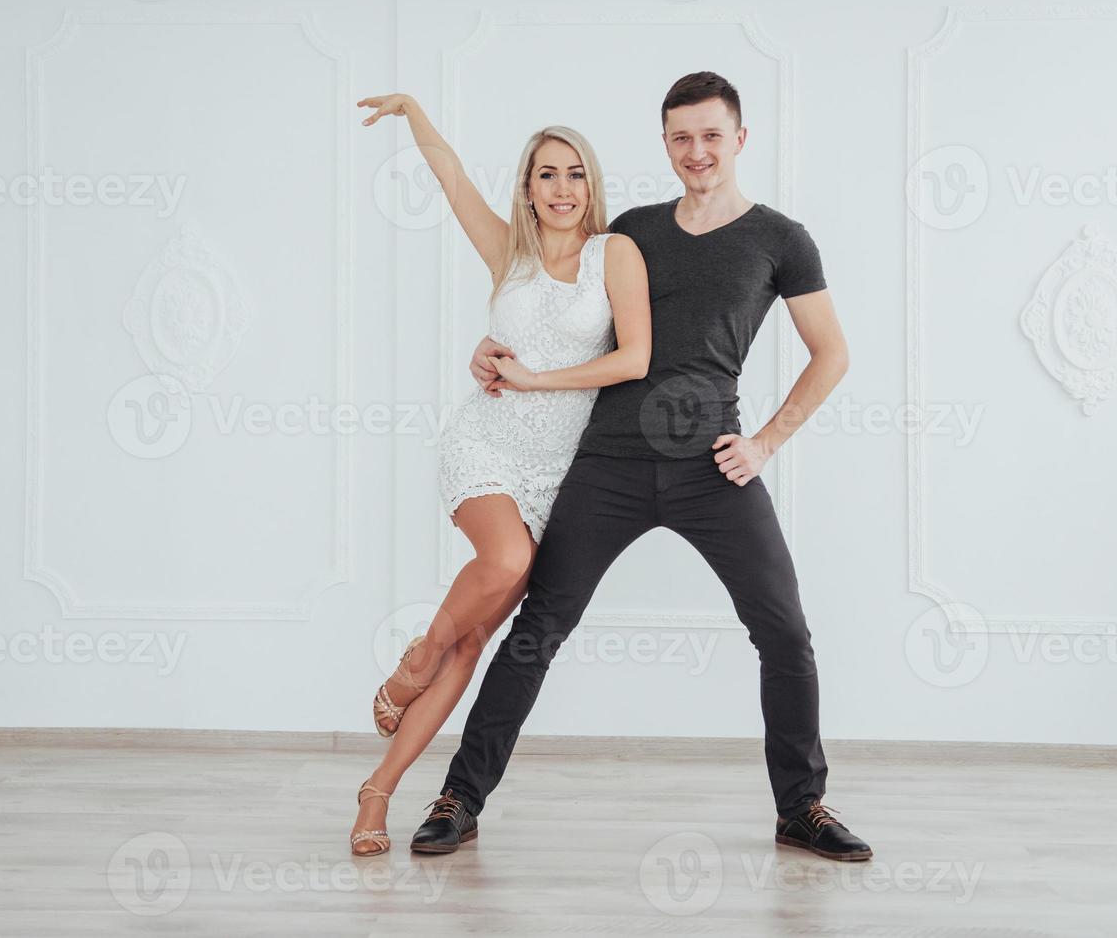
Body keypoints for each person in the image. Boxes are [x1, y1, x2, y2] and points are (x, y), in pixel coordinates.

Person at [409, 72, 872, 862]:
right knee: (537, 633)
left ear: (739, 140)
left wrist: (764, 441)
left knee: (784, 632)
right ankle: (460, 796)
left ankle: (802, 806)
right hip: (606, 464)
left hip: (713, 467)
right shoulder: (625, 233)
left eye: (711, 135)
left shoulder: (780, 240)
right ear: (664, 144)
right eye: (680, 137)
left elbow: (831, 354)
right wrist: (489, 350)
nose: (696, 151)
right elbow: (549, 308)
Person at [348, 93, 651, 857]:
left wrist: (534, 379)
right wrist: (414, 110)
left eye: (574, 174)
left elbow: (634, 359)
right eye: (545, 174)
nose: (560, 189)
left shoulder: (614, 253)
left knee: (473, 641)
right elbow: (449, 178)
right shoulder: (507, 254)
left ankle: (375, 794)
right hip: (485, 443)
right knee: (504, 561)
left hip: (557, 468)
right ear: (525, 187)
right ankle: (412, 661)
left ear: (591, 185)